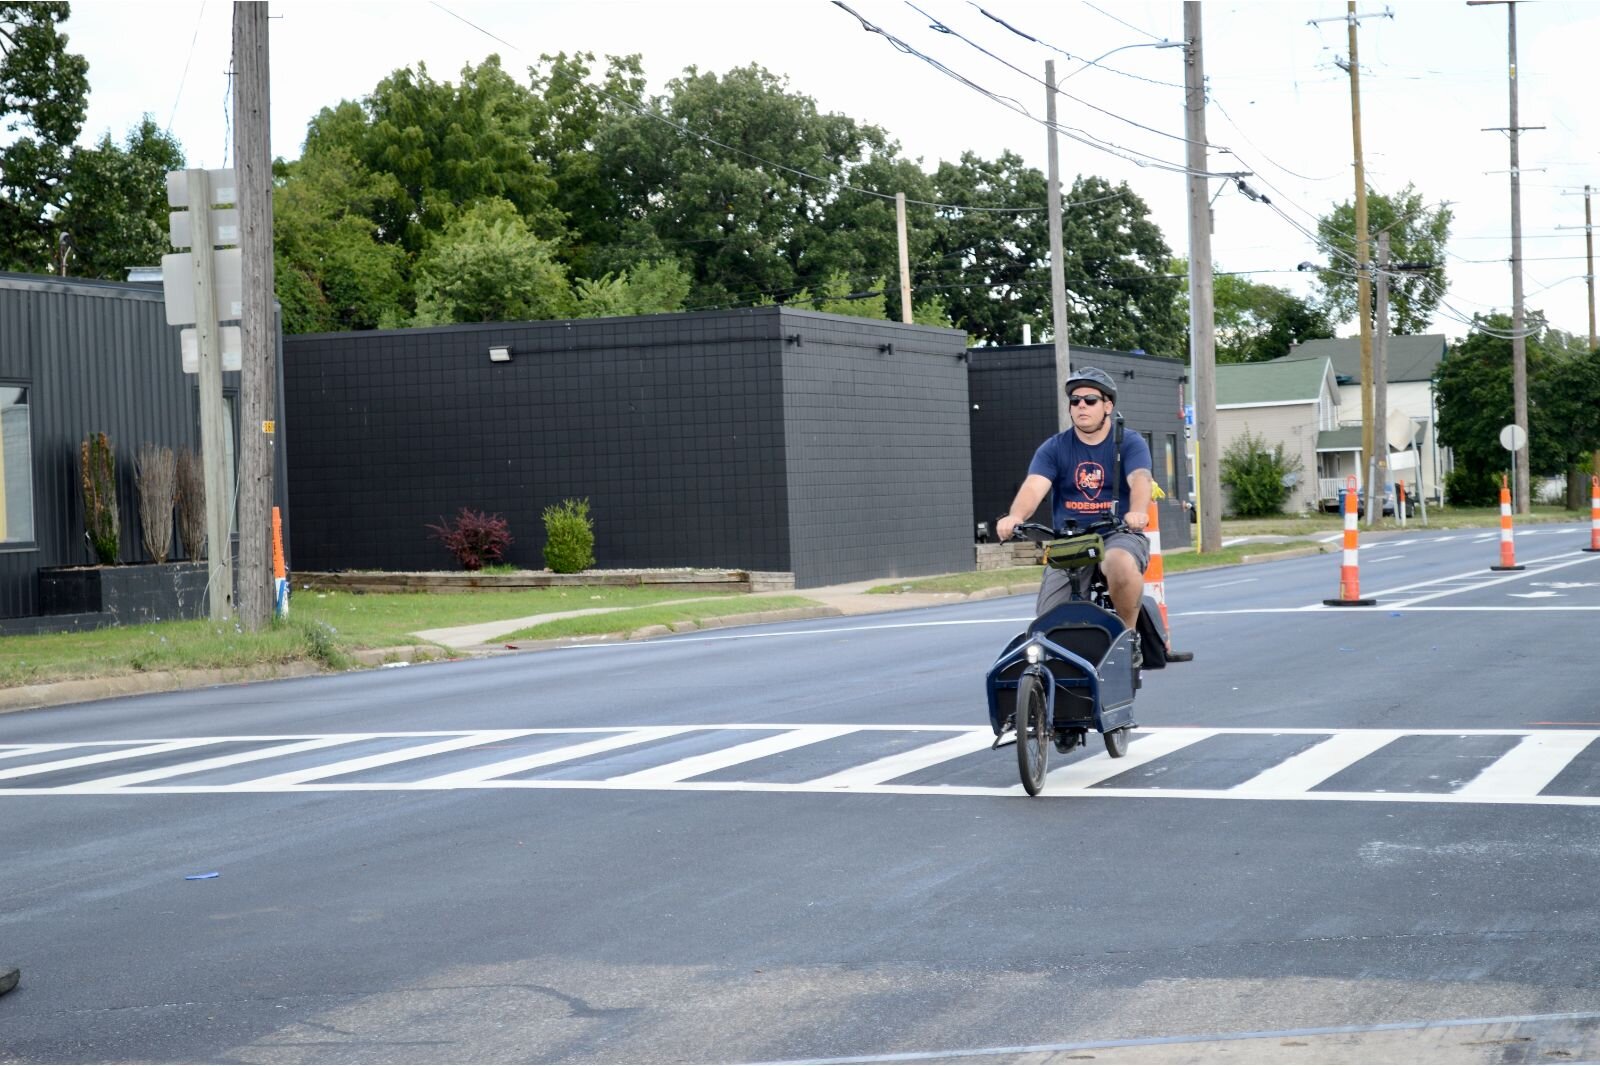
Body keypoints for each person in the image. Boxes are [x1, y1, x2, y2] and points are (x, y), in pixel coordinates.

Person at [995, 367, 1154, 636]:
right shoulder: (1054, 447)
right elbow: (1034, 487)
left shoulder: (1128, 442)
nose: (1081, 405)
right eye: (1075, 400)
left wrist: (1137, 512)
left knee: (1119, 562)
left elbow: (1140, 479)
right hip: (1071, 540)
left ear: (1107, 405)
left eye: (1090, 400)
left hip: (1119, 533)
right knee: (1046, 625)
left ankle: (1128, 638)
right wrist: (1016, 517)